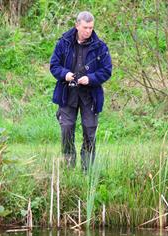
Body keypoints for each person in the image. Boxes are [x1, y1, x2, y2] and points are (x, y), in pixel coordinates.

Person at [50, 11, 112, 170]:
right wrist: (66, 75)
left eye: (91, 28)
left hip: (90, 95)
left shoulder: (100, 46)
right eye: (85, 27)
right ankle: (68, 170)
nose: (88, 31)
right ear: (77, 25)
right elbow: (54, 66)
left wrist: (90, 79)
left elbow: (107, 70)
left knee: (90, 132)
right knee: (66, 130)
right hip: (67, 94)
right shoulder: (63, 43)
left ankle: (88, 171)